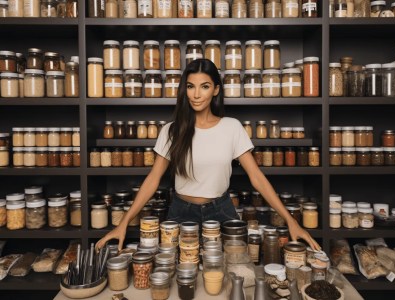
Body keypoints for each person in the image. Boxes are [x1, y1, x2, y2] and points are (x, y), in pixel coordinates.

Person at [96, 59, 320, 251]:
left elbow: (257, 177)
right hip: (181, 212)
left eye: (204, 86)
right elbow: (153, 180)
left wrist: (292, 221)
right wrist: (123, 223)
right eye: (190, 86)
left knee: (228, 273)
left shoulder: (232, 127)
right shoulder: (171, 131)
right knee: (177, 276)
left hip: (221, 211)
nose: (196, 94)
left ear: (216, 90)